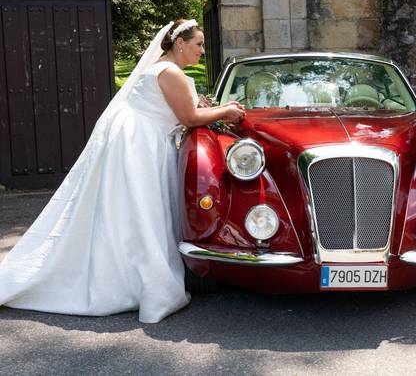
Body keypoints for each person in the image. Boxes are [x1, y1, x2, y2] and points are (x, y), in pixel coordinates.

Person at [0, 19, 245, 322]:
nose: (202, 51)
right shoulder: (172, 73)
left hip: (133, 140)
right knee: (145, 213)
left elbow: (177, 109)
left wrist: (204, 106)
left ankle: (124, 276)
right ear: (180, 43)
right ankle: (144, 285)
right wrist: (226, 110)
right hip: (144, 146)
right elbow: (190, 117)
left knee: (126, 212)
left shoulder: (159, 66)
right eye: (198, 45)